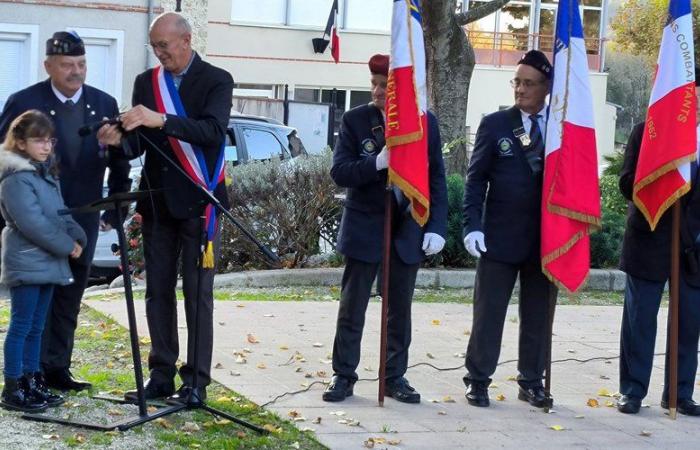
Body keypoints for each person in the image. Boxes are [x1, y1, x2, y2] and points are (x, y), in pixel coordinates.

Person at [104, 12, 234, 404]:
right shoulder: (148, 82)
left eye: (164, 45)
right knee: (157, 291)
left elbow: (212, 132)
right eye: (154, 46)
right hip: (157, 203)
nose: (159, 53)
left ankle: (195, 383)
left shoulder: (217, 80)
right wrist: (118, 140)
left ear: (186, 39)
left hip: (200, 202)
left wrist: (161, 119)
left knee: (198, 295)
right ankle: (160, 374)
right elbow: (141, 145)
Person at [0, 31, 131, 392]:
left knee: (70, 294)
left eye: (82, 64)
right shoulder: (24, 102)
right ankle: (29, 373)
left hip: (82, 216)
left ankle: (57, 367)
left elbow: (120, 158)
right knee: (36, 298)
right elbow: (5, 158)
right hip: (35, 217)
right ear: (49, 66)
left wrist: (118, 205)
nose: (76, 72)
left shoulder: (103, 103)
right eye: (67, 65)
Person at [322, 54, 448, 404]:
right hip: (365, 225)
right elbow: (341, 171)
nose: (378, 91)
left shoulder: (426, 123)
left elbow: (435, 176)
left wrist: (436, 225)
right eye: (374, 84)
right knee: (353, 307)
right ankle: (343, 375)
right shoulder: (354, 120)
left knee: (399, 309)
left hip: (407, 227)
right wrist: (376, 163)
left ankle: (395, 377)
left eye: (385, 86)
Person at [461, 50, 556, 408]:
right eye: (516, 81)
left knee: (537, 315)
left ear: (547, 87)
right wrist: (473, 225)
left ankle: (531, 381)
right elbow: (475, 181)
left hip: (544, 240)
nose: (520, 89)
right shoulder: (496, 124)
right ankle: (479, 379)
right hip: (498, 237)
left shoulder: (562, 128)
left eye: (529, 83)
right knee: (489, 313)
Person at [615, 72, 700, 416]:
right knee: (640, 320)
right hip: (649, 238)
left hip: (693, 247)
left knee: (688, 323)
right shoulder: (646, 132)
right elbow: (625, 182)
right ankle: (632, 391)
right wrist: (660, 181)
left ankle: (679, 393)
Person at [0, 110, 87, 412]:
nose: (47, 146)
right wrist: (67, 246)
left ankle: (32, 380)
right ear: (21, 142)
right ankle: (13, 386)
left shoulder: (45, 175)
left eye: (49, 140)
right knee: (21, 325)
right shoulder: (15, 178)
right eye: (39, 140)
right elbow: (32, 222)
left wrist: (77, 235)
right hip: (27, 260)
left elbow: (59, 212)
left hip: (48, 262)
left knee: (37, 326)